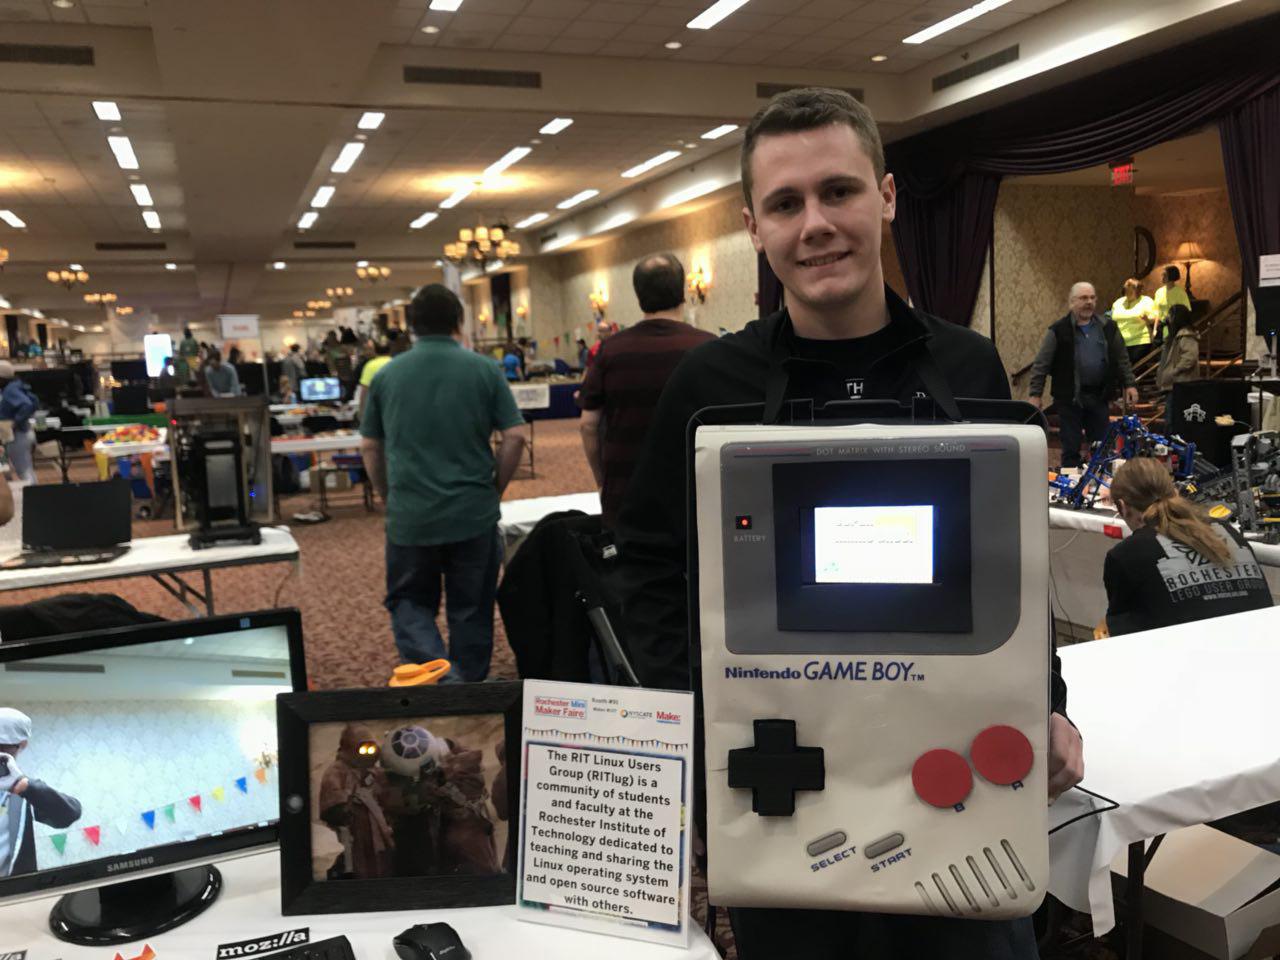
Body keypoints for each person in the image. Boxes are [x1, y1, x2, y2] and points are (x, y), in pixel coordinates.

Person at [613, 87, 1081, 960]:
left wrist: (1046, 708)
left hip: (954, 768)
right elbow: (646, 567)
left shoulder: (966, 364)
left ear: (888, 197)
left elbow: (1009, 565)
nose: (815, 224)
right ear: (753, 227)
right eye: (786, 204)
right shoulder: (711, 387)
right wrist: (694, 726)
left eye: (839, 192)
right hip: (778, 772)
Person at [360, 284, 526, 681]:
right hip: (473, 512)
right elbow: (516, 436)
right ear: (459, 322)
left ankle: (436, 679)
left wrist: (388, 495)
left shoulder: (387, 376)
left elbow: (370, 447)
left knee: (409, 603)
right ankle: (465, 688)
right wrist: (494, 489)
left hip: (411, 515)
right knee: (471, 607)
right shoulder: (484, 369)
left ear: (412, 326)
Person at [579, 252, 714, 529]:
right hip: (693, 491)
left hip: (626, 491)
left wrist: (602, 480)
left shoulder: (610, 350)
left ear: (638, 296)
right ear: (683, 292)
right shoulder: (709, 348)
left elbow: (588, 425)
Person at [1104, 457, 1272, 636]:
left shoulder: (1125, 555)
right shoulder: (1227, 531)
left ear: (1122, 507)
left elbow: (1124, 638)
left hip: (1194, 658)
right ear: (1174, 491)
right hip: (1264, 652)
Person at [1028, 282, 1139, 468]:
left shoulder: (1108, 328)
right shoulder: (1058, 330)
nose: (1089, 302)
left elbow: (1122, 359)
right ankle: (1071, 490)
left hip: (1099, 397)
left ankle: (1098, 488)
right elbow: (1041, 364)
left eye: (1092, 298)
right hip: (1069, 399)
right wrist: (1035, 395)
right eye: (1083, 298)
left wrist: (1130, 384)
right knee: (1071, 448)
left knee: (1102, 448)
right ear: (1072, 302)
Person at [1, 707, 83, 878]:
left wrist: (26, 787)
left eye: (3, 748)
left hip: (16, 895)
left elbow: (69, 814)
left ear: (22, 745)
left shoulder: (25, 793)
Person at [317, 723, 395, 879]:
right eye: (362, 747)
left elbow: (389, 795)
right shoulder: (337, 771)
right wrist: (349, 801)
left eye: (370, 746)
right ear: (349, 747)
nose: (367, 751)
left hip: (380, 839)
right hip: (354, 841)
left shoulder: (374, 770)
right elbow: (331, 808)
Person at [0, 362, 39, 484]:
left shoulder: (10, 390)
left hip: (18, 435)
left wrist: (15, 422)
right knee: (26, 469)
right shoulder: (17, 386)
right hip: (23, 433)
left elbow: (26, 405)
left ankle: (32, 497)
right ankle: (34, 494)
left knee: (23, 470)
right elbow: (34, 403)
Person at [1111, 278, 1157, 369]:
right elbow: (1113, 319)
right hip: (1121, 343)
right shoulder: (1118, 302)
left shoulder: (1146, 301)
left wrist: (1147, 319)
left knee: (1132, 367)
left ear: (1138, 291)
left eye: (1131, 292)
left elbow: (1155, 318)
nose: (1128, 294)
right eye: (1126, 292)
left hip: (1140, 341)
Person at [1155, 304, 1200, 394]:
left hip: (1181, 384)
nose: (1168, 318)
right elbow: (1157, 343)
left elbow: (1190, 357)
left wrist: (1175, 371)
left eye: (1170, 315)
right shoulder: (1173, 337)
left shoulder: (1186, 336)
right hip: (1172, 385)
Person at [1151, 265, 1192, 343]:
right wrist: (1154, 330)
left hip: (1174, 329)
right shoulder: (1159, 292)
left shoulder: (1181, 293)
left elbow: (1185, 313)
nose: (1162, 277)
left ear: (1171, 276)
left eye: (1164, 275)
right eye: (1162, 275)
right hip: (1161, 328)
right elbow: (1157, 312)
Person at [355, 340, 393, 420]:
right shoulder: (395, 362)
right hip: (393, 408)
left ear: (375, 350)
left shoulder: (370, 366)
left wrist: (361, 414)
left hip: (376, 410)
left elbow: (364, 392)